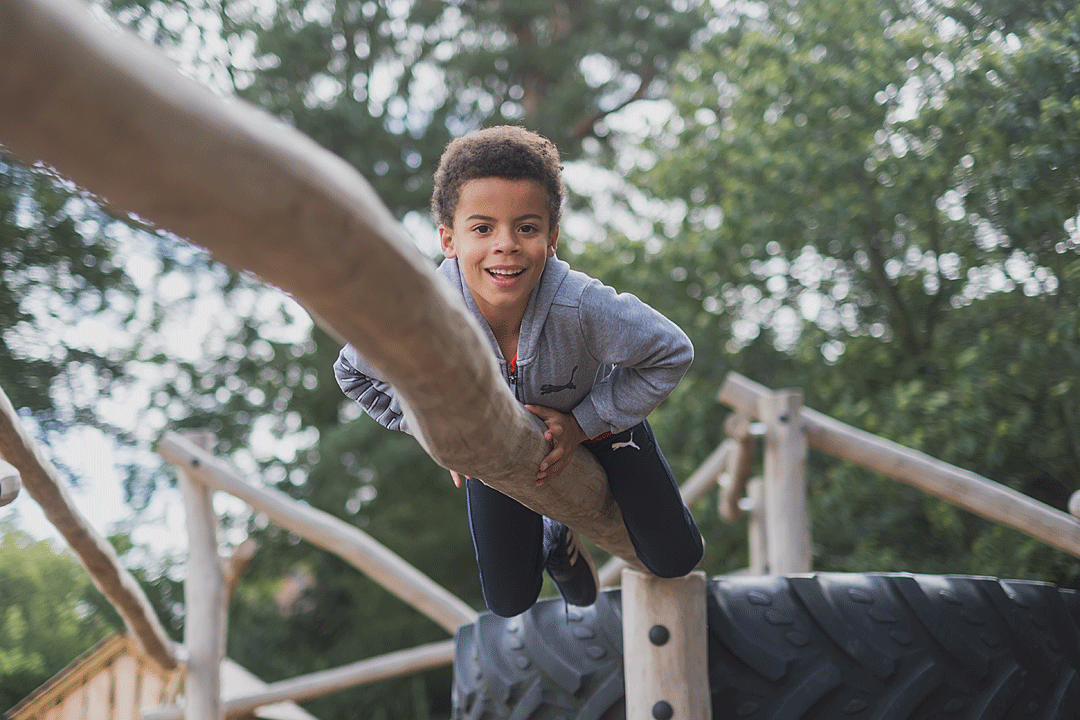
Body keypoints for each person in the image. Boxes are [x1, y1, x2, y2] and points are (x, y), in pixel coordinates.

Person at [334, 125, 703, 617]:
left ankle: (591, 491)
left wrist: (584, 422)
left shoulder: (581, 305)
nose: (506, 245)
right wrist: (438, 428)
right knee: (509, 601)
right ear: (449, 239)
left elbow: (671, 351)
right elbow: (355, 373)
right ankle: (557, 539)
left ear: (551, 238)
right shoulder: (424, 315)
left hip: (597, 423)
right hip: (495, 438)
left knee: (676, 557)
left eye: (526, 228)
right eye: (482, 229)